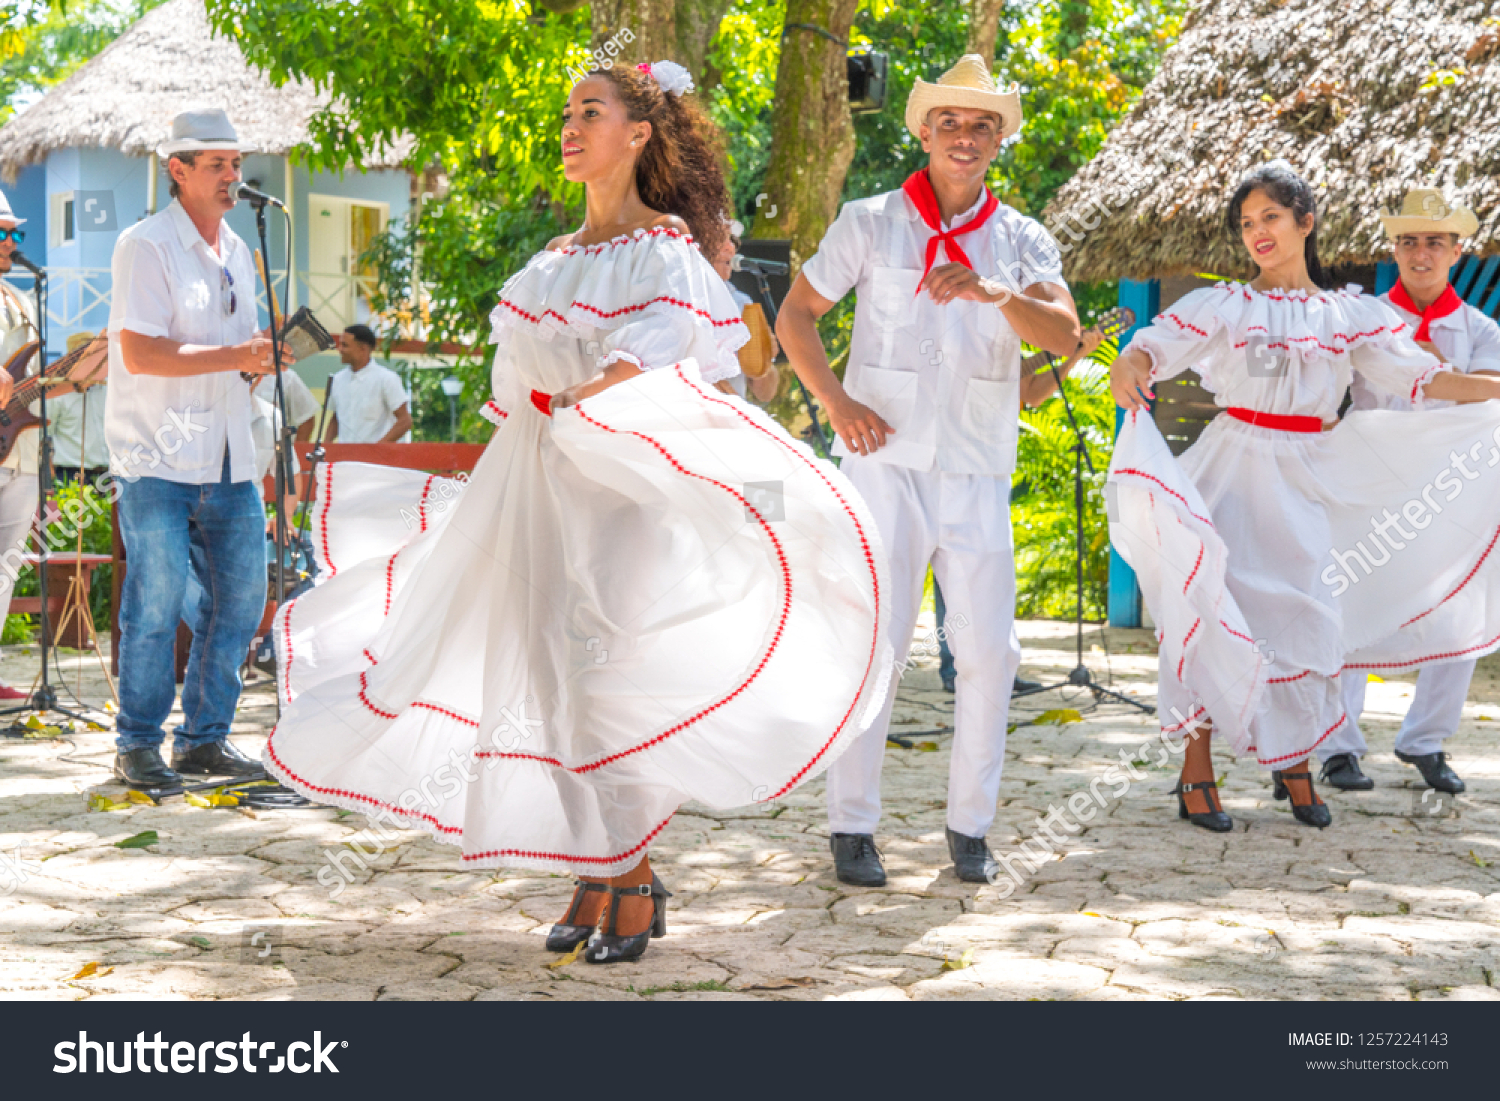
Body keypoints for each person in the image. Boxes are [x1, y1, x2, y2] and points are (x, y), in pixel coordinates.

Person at [263, 61, 888, 965]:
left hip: (621, 481)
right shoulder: (548, 262)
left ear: (638, 134)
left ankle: (628, 874)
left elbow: (659, 355)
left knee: (598, 677)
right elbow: (512, 386)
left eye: (589, 112)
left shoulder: (666, 250)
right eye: (566, 113)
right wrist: (545, 415)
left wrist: (582, 393)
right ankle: (599, 865)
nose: (570, 127)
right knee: (547, 685)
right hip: (537, 477)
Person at [1107, 160, 1500, 832]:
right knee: (1205, 606)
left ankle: (1294, 760)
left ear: (1305, 222)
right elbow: (1154, 347)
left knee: (1311, 620)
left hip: (1309, 471)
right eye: (1247, 223)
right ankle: (1195, 770)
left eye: (1271, 218)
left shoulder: (1350, 313)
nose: (1257, 232)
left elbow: (1425, 379)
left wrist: (1495, 391)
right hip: (1232, 465)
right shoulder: (1226, 304)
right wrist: (1130, 362)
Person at [777, 54, 1081, 886]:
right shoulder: (871, 220)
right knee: (876, 640)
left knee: (990, 650)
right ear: (923, 130)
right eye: (950, 120)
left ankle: (970, 829)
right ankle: (851, 824)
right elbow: (795, 316)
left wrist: (995, 292)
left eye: (984, 124)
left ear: (1000, 140)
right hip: (884, 462)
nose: (967, 135)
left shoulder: (1020, 237)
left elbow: (1064, 336)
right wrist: (836, 403)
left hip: (977, 463)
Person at [106, 108, 292, 788]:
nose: (232, 176)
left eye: (236, 163)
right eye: (216, 164)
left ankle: (204, 739)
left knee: (241, 601)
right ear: (177, 171)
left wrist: (256, 359)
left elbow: (230, 356)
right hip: (157, 455)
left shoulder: (239, 250)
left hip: (229, 455)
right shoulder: (145, 245)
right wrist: (233, 354)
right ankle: (137, 745)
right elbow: (142, 351)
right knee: (153, 603)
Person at [1319, 190, 1500, 796]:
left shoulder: (1479, 329)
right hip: (1369, 480)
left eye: (1434, 242)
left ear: (1455, 250)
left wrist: (1437, 367)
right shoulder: (1361, 319)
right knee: (1354, 608)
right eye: (1409, 241)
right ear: (1393, 249)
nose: (1421, 253)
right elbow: (1325, 387)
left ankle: (1426, 738)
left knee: (1458, 607)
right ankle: (1339, 745)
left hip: (1450, 490)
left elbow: (1494, 392)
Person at [0, 187, 39, 701]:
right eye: (1, 233)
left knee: (6, 564)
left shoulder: (23, 298)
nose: (10, 242)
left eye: (14, 233)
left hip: (20, 446)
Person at [708, 219, 779, 404]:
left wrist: (765, 360)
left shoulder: (742, 303)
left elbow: (766, 394)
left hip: (730, 421)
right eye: (720, 239)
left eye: (733, 241)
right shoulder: (676, 300)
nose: (731, 248)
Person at [326, 324, 411, 443]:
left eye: (345, 345)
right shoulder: (337, 379)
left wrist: (379, 448)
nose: (339, 349)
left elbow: (405, 421)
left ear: (363, 349)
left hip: (375, 459)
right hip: (345, 457)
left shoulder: (386, 379)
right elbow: (336, 418)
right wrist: (326, 447)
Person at [50, 330, 111, 485]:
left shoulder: (109, 390)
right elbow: (45, 435)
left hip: (105, 474)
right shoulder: (57, 395)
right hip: (68, 475)